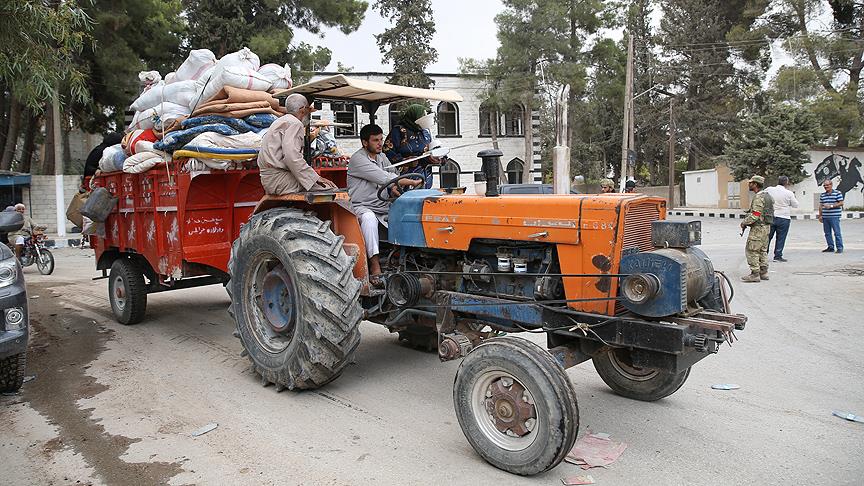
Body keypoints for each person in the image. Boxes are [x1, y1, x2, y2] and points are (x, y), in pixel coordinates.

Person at [348, 124, 423, 279]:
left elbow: (393, 172)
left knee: (407, 213)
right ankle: (374, 265)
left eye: (381, 139)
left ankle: (406, 259)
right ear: (364, 142)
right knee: (369, 219)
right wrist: (410, 181)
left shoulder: (381, 156)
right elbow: (384, 177)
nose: (380, 143)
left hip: (382, 205)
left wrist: (396, 188)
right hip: (362, 206)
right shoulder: (358, 159)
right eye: (376, 140)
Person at [258, 93, 337, 195]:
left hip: (271, 180)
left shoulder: (280, 121)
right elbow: (292, 156)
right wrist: (316, 178)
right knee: (331, 190)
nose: (309, 112)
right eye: (308, 109)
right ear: (302, 109)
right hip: (281, 180)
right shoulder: (295, 123)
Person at [384, 104, 435, 188]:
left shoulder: (425, 132)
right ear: (414, 116)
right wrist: (404, 160)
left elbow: (431, 149)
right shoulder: (399, 131)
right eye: (421, 116)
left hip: (425, 179)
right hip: (404, 181)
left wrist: (435, 158)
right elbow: (387, 153)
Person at [740, 176, 774, 282]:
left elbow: (755, 214)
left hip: (758, 228)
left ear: (755, 184)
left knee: (752, 250)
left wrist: (744, 222)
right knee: (762, 250)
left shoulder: (759, 197)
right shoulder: (768, 196)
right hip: (766, 228)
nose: (749, 184)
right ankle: (763, 272)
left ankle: (755, 274)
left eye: (751, 183)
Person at [765, 175, 799, 262]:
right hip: (784, 217)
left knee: (768, 237)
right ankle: (778, 256)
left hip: (771, 216)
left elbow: (763, 196)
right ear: (786, 183)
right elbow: (795, 205)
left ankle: (764, 255)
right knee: (781, 238)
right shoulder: (789, 193)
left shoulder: (769, 189)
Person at [818, 179, 844, 253]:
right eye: (824, 185)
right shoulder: (823, 195)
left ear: (831, 185)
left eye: (827, 185)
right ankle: (830, 247)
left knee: (837, 232)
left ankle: (839, 248)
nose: (826, 187)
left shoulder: (837, 193)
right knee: (827, 233)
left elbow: (841, 203)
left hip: (834, 216)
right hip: (825, 217)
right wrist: (820, 215)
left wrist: (831, 206)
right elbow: (820, 206)